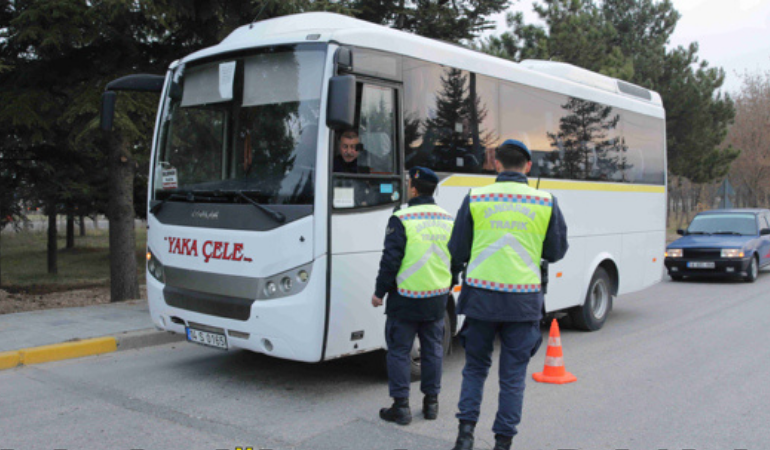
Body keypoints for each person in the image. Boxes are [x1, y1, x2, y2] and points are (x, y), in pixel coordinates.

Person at [448, 139, 568, 450]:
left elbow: (457, 249)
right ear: (528, 167)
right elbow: (555, 252)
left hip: (480, 298)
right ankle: (503, 443)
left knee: (474, 368)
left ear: (496, 164)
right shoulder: (546, 201)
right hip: (523, 301)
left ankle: (464, 436)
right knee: (513, 377)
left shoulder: (475, 197)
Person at [372, 167, 454, 426]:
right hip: (436, 298)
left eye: (409, 183)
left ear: (414, 189)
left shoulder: (402, 217)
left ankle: (401, 408)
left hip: (405, 298)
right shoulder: (448, 218)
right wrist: (450, 283)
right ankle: (431, 405)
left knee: (398, 351)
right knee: (433, 350)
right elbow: (458, 257)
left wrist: (379, 292)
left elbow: (390, 260)